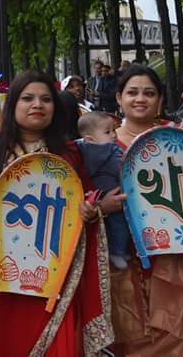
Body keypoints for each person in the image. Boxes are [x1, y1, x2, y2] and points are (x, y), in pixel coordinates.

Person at [0, 70, 115, 356]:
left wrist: (90, 212)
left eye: (46, 99)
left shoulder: (69, 154)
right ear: (13, 105)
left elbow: (86, 204)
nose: (37, 105)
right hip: (5, 278)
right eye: (28, 98)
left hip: (57, 278)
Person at [110, 64, 183, 354]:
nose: (140, 99)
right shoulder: (100, 144)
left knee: (180, 335)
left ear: (160, 99)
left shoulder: (179, 139)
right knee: (135, 337)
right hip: (127, 261)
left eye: (149, 93)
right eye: (132, 92)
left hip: (177, 258)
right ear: (119, 98)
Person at [76, 112, 128, 270]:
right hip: (113, 191)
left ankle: (112, 251)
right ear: (90, 139)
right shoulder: (112, 149)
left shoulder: (79, 149)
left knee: (102, 228)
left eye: (114, 130)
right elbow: (121, 169)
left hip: (94, 195)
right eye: (108, 132)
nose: (113, 135)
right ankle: (118, 251)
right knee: (120, 222)